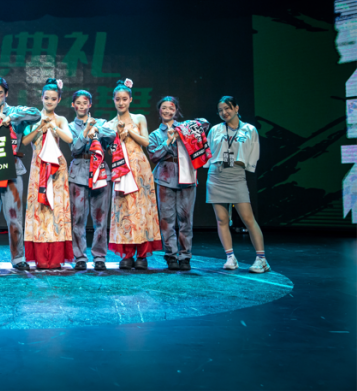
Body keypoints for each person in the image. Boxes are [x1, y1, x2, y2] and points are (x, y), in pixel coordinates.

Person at [0, 77, 41, 271]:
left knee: (14, 217)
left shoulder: (15, 112)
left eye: (0, 93)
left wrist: (10, 118)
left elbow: (36, 114)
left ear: (6, 94)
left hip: (13, 171)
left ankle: (18, 258)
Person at [205, 96, 269, 273]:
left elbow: (254, 152)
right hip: (216, 175)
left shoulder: (249, 129)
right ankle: (230, 257)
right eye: (220, 110)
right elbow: (207, 152)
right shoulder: (215, 129)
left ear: (236, 108)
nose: (224, 112)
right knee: (221, 219)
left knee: (248, 218)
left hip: (236, 175)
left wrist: (248, 167)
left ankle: (262, 259)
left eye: (227, 108)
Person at [106, 79, 162, 270]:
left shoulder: (139, 118)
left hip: (139, 169)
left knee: (142, 210)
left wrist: (129, 132)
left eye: (124, 99)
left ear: (130, 99)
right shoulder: (110, 124)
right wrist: (116, 140)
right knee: (124, 210)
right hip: (121, 169)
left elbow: (146, 142)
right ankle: (127, 253)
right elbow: (110, 150)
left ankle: (142, 254)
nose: (121, 102)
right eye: (118, 99)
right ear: (113, 100)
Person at [147, 96, 209, 271]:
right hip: (165, 178)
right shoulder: (155, 134)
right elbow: (154, 156)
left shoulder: (184, 128)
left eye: (171, 108)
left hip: (186, 176)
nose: (167, 111)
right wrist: (168, 140)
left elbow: (205, 124)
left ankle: (185, 256)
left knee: (186, 219)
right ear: (159, 111)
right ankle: (171, 256)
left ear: (176, 111)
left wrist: (181, 130)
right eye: (164, 108)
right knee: (166, 219)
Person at [22, 79, 74, 269]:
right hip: (38, 169)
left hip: (56, 171)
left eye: (53, 99)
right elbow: (25, 141)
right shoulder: (33, 118)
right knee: (39, 211)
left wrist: (53, 127)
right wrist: (39, 127)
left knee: (55, 211)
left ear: (58, 100)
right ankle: (41, 257)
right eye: (46, 98)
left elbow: (69, 138)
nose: (49, 102)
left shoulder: (60, 119)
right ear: (41, 98)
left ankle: (55, 257)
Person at [67, 90, 116, 271]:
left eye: (85, 103)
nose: (81, 106)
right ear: (73, 105)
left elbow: (112, 134)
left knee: (100, 218)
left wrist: (96, 129)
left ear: (90, 105)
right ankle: (80, 256)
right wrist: (86, 132)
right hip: (78, 172)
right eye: (78, 103)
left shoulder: (100, 122)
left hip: (99, 173)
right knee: (78, 218)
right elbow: (74, 148)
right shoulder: (70, 126)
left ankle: (99, 256)